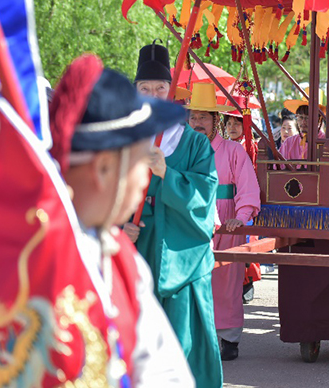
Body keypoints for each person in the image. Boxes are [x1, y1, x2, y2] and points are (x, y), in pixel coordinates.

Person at [46, 54, 195, 386]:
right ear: (102, 169)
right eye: (140, 161)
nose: (146, 177)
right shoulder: (39, 259)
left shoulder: (121, 261)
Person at [123, 42, 223, 388]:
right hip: (134, 251)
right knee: (134, 341)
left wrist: (169, 174)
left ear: (171, 90)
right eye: (145, 89)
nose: (153, 94)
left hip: (182, 254)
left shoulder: (193, 143)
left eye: (160, 88)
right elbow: (100, 189)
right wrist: (119, 225)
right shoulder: (123, 138)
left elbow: (205, 196)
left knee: (182, 343)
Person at [186, 83, 261, 361]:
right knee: (192, 281)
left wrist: (240, 218)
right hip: (190, 222)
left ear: (216, 120)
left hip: (226, 221)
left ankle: (229, 339)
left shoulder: (232, 150)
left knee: (226, 281)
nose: (198, 123)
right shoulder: (181, 149)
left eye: (204, 117)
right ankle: (195, 336)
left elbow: (247, 187)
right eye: (193, 117)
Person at [281, 92, 326, 161]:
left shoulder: (328, 143)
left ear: (319, 120)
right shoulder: (288, 143)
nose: (303, 122)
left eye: (308, 118)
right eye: (300, 117)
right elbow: (278, 167)